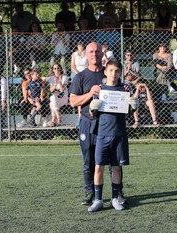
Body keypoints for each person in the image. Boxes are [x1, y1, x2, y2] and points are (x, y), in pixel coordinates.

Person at [69, 42, 126, 206]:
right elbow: (73, 102)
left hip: (108, 124)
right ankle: (90, 193)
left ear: (103, 53)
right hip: (88, 123)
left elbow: (121, 93)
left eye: (97, 51)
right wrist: (90, 94)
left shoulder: (109, 73)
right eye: (91, 52)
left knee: (114, 161)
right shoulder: (80, 76)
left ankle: (118, 193)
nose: (94, 54)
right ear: (86, 55)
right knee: (89, 161)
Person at [87, 60, 137, 212]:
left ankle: (115, 198)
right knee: (98, 168)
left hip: (119, 134)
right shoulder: (100, 90)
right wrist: (91, 108)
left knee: (116, 168)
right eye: (111, 70)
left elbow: (128, 110)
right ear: (105, 72)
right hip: (103, 134)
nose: (113, 74)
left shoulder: (125, 88)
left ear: (120, 73)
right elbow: (93, 113)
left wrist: (133, 106)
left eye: (116, 71)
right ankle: (98, 199)